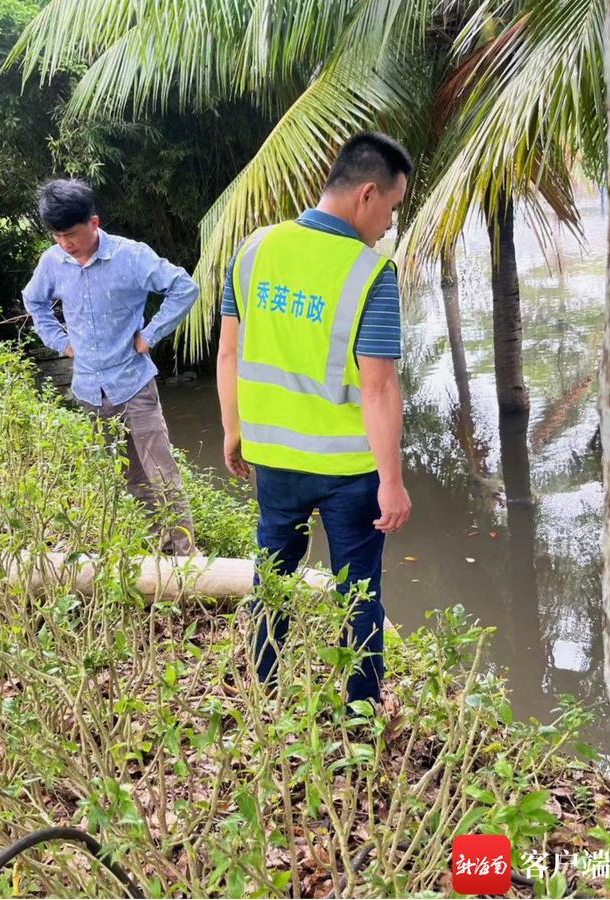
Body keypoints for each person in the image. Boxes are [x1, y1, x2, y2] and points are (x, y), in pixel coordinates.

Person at [216, 132, 413, 705]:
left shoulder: (254, 249)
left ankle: (264, 691)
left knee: (271, 580)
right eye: (392, 211)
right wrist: (394, 484)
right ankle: (359, 711)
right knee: (359, 592)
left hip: (274, 460)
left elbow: (229, 353)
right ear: (368, 195)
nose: (388, 226)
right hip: (352, 472)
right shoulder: (369, 273)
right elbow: (377, 389)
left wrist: (234, 430)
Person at [23, 178, 198, 555]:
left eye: (71, 234)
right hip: (89, 389)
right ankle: (158, 546)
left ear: (94, 223)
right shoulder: (52, 262)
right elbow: (34, 302)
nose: (65, 244)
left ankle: (185, 555)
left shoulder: (131, 256)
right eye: (57, 236)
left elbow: (184, 287)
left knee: (161, 473)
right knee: (130, 475)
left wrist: (150, 334)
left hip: (133, 383)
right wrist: (61, 343)